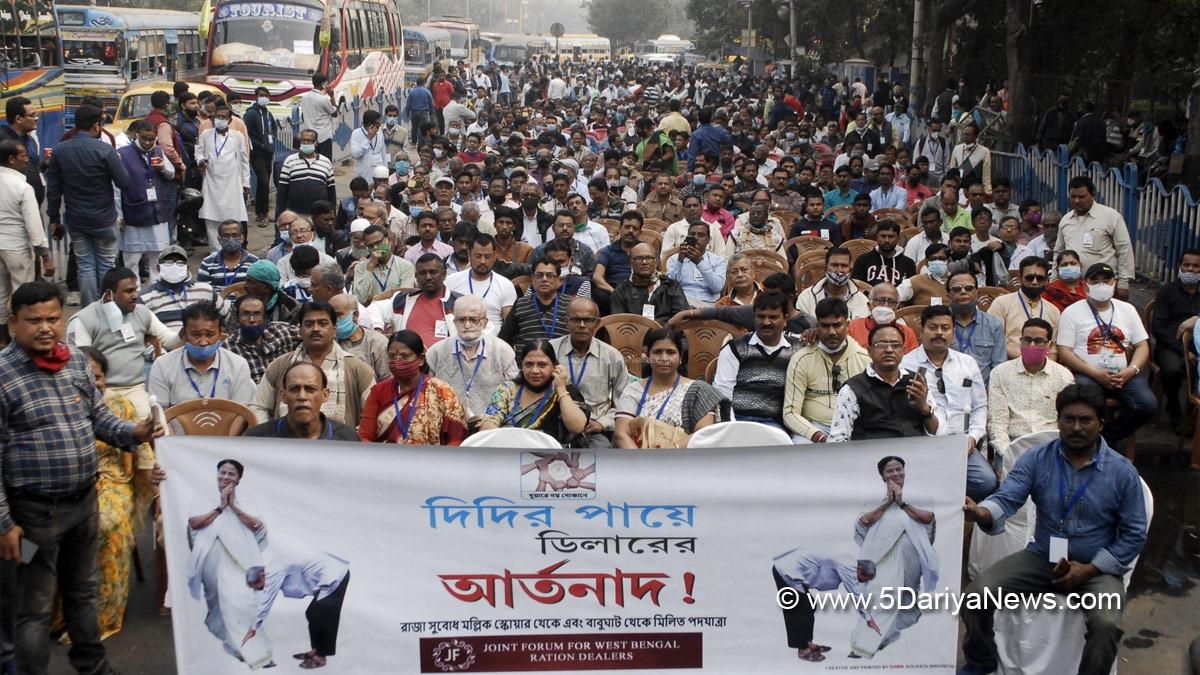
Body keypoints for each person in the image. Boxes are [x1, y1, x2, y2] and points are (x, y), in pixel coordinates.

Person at [0, 281, 160, 675]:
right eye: (33, 320)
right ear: (12, 324)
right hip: (31, 514)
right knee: (33, 609)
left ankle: (93, 667)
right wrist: (5, 524)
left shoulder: (73, 362)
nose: (44, 328)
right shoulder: (3, 377)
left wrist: (132, 433)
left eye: (53, 318)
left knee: (82, 594)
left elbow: (98, 418)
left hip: (84, 502)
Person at [961, 384, 1148, 675]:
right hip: (1042, 557)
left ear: (1101, 422)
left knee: (1107, 624)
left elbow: (1134, 534)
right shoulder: (1037, 459)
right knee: (976, 595)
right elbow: (1008, 497)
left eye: (1085, 420)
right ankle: (981, 662)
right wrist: (981, 511)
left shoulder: (1122, 471)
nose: (1076, 427)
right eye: (1068, 419)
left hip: (1095, 566)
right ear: (1057, 420)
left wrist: (1090, 569)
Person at [75, 346, 161, 640]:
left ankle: (101, 617)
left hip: (113, 483)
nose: (91, 383)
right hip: (67, 484)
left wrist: (159, 495)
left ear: (105, 379)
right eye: (84, 376)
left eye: (96, 377)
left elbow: (143, 453)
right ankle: (49, 613)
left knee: (107, 523)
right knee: (33, 534)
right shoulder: (61, 402)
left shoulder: (121, 406)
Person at [900, 305, 996, 500]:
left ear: (953, 332)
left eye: (945, 328)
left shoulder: (967, 363)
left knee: (987, 482)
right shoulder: (906, 365)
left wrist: (973, 437)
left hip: (961, 444)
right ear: (921, 331)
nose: (939, 333)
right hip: (923, 444)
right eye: (933, 327)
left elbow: (979, 407)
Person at [185, 458, 274, 666]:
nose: (225, 477)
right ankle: (234, 643)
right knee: (221, 600)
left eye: (231, 474)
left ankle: (253, 649)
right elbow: (194, 523)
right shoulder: (203, 495)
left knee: (244, 600)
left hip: (242, 557)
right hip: (211, 554)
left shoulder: (247, 498)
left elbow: (258, 527)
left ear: (239, 480)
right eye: (222, 472)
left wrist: (234, 508)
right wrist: (220, 507)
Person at [1055, 263, 1153, 446]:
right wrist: (1095, 373)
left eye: (1106, 280)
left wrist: (1131, 370)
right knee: (1087, 402)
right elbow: (1064, 351)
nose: (1101, 285)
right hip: (1087, 374)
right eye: (1095, 281)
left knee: (1147, 404)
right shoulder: (1072, 312)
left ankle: (1106, 438)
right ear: (1085, 284)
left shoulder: (1128, 310)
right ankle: (1089, 441)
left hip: (1124, 375)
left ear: (1114, 282)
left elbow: (1142, 346)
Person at [850, 456, 938, 658]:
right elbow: (863, 522)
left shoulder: (918, 492)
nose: (896, 474)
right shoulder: (874, 495)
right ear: (882, 476)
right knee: (883, 591)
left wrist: (902, 503)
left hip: (911, 550)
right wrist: (885, 504)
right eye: (890, 471)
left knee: (902, 593)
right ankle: (867, 644)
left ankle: (890, 630)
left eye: (899, 469)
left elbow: (928, 518)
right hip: (880, 553)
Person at [45, 104, 132, 307]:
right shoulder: (106, 150)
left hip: (76, 219)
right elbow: (124, 182)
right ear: (96, 125)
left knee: (84, 267)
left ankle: (88, 312)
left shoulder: (60, 151)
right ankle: (106, 311)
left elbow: (53, 190)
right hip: (104, 218)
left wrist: (54, 220)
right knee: (106, 266)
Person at [66, 268, 179, 414]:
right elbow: (78, 365)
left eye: (136, 290)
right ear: (108, 295)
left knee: (155, 425)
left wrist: (187, 331)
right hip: (100, 390)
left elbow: (170, 341)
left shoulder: (142, 313)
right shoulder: (82, 320)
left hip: (135, 389)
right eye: (129, 291)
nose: (135, 296)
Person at [250, 302, 376, 426]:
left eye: (323, 323)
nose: (316, 329)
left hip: (340, 444)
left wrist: (351, 438)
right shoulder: (279, 366)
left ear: (334, 330)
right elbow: (259, 407)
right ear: (300, 330)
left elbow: (372, 415)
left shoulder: (357, 369)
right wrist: (269, 438)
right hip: (285, 443)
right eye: (309, 324)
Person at [613, 328, 727, 448]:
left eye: (671, 352)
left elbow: (703, 434)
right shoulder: (633, 390)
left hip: (683, 460)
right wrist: (642, 463)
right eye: (657, 352)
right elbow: (621, 435)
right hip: (635, 461)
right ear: (647, 356)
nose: (664, 358)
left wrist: (669, 453)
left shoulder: (699, 391)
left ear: (680, 357)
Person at [828, 323, 944, 441]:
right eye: (881, 345)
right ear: (869, 351)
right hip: (871, 455)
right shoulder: (853, 389)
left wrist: (924, 407)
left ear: (903, 350)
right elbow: (838, 439)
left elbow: (937, 433)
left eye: (895, 345)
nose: (889, 350)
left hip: (913, 452)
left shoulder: (915, 382)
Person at [783, 297, 871, 443]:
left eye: (837, 325)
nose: (831, 332)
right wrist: (819, 436)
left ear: (847, 325)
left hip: (856, 427)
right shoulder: (801, 359)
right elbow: (790, 412)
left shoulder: (864, 359)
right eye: (825, 326)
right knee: (800, 446)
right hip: (813, 428)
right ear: (816, 326)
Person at [357, 330, 468, 445]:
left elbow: (456, 438)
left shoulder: (442, 391)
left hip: (431, 460)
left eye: (404, 356)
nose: (397, 361)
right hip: (387, 459)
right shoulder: (378, 391)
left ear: (420, 359)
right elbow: (365, 436)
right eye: (392, 356)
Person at [244, 553, 350, 671]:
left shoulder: (272, 573)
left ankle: (320, 657)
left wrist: (253, 628)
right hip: (328, 575)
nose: (257, 589)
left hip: (336, 575)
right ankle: (316, 650)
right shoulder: (273, 568)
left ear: (262, 575)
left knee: (324, 616)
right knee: (311, 613)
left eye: (256, 585)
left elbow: (266, 602)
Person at [713, 293, 801, 430]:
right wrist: (731, 428)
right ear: (754, 317)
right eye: (761, 316)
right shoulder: (735, 348)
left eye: (773, 317)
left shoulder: (798, 349)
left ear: (785, 319)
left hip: (776, 425)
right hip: (738, 421)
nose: (766, 322)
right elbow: (723, 393)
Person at [548, 298, 629, 448]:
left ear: (597, 323)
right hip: (556, 425)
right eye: (576, 320)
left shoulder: (612, 356)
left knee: (601, 457)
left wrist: (602, 423)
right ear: (566, 322)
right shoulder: (551, 350)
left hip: (594, 429)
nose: (582, 325)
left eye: (588, 320)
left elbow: (624, 402)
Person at [987, 318, 1075, 453]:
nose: (1032, 345)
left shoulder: (1063, 376)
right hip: (1013, 444)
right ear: (1020, 341)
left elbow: (1066, 420)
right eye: (1027, 340)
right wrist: (1008, 453)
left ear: (1050, 345)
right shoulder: (1000, 373)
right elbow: (997, 422)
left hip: (1051, 447)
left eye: (1039, 341)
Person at [479, 339, 590, 446]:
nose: (535, 371)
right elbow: (488, 424)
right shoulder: (508, 389)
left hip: (549, 458)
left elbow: (577, 427)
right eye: (529, 365)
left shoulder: (565, 392)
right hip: (508, 452)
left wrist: (561, 389)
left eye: (542, 365)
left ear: (554, 366)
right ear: (521, 365)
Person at [424, 295, 517, 420]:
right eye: (462, 320)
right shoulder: (436, 352)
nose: (467, 325)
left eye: (474, 319)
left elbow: (514, 391)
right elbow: (427, 392)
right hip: (447, 423)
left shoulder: (503, 351)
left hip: (491, 423)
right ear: (454, 323)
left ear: (484, 322)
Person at [148, 301, 255, 407]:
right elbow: (160, 414)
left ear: (219, 333)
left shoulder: (238, 365)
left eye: (210, 335)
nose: (203, 342)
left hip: (228, 424)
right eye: (195, 335)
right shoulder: (162, 365)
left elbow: (241, 414)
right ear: (183, 334)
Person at [0, 140, 50, 346]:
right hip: (17, 249)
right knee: (22, 295)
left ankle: (3, 339)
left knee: (1, 293)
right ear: (11, 159)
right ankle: (22, 339)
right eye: (22, 155)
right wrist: (46, 256)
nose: (26, 158)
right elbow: (34, 226)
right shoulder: (22, 187)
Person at [1054, 176, 1135, 299]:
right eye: (1073, 197)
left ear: (1092, 195)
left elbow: (1124, 249)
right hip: (1072, 286)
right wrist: (1054, 278)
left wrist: (1123, 282)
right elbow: (1059, 252)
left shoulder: (1111, 216)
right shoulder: (1065, 220)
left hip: (1103, 285)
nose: (1076, 201)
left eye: (1082, 197)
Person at [115, 120, 174, 278]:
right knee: (132, 259)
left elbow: (172, 173)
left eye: (152, 139)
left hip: (157, 212)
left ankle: (156, 292)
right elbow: (115, 188)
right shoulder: (122, 154)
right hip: (134, 212)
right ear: (136, 135)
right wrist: (119, 214)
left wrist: (163, 168)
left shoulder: (158, 151)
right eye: (144, 139)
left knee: (158, 257)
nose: (148, 143)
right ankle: (134, 295)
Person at [1150, 249, 1200, 429]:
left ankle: (1194, 411)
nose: (1190, 269)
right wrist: (1184, 351)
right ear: (1180, 266)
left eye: (1195, 266)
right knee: (1172, 369)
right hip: (1170, 347)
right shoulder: (1167, 291)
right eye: (1186, 265)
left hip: (1198, 347)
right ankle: (1174, 406)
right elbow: (1159, 329)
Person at [196, 106, 250, 251]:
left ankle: (233, 249)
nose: (220, 120)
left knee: (233, 218)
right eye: (217, 117)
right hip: (211, 182)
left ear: (229, 119)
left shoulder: (237, 136)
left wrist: (246, 182)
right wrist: (200, 161)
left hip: (232, 183)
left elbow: (244, 160)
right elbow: (199, 152)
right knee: (211, 218)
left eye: (223, 117)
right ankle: (215, 251)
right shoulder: (206, 135)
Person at [987, 255, 1062, 358]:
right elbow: (994, 340)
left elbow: (1053, 349)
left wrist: (1045, 366)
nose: (1034, 282)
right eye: (1030, 278)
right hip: (1009, 364)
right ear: (1019, 278)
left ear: (1046, 281)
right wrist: (1028, 359)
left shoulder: (1053, 311)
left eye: (1040, 278)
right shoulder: (1002, 303)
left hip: (1043, 367)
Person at [444, 233, 517, 333]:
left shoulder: (505, 285)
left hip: (493, 342)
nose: (482, 261)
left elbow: (509, 326)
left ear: (495, 255)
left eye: (487, 257)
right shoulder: (451, 281)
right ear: (469, 254)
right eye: (478, 256)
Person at [139, 244, 221, 332]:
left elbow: (226, 317)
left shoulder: (206, 290)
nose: (174, 266)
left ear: (187, 268)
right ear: (158, 268)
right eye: (168, 263)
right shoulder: (145, 297)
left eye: (180, 263)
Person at [944, 270, 1007, 383]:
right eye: (957, 289)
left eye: (968, 288)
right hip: (946, 391)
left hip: (982, 392)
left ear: (977, 293)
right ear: (948, 295)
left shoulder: (993, 324)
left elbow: (999, 368)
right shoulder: (939, 324)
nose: (963, 292)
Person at [497, 257, 571, 352]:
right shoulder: (521, 304)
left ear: (559, 281)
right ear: (532, 279)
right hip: (525, 364)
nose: (544, 279)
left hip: (560, 365)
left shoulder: (571, 305)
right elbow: (504, 339)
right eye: (539, 275)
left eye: (549, 275)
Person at [223, 295, 299, 384]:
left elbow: (309, 334)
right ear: (237, 319)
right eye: (246, 314)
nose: (252, 320)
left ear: (265, 318)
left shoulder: (282, 331)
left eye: (257, 314)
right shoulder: (228, 348)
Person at [609, 243, 691, 323]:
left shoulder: (671, 286)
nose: (644, 262)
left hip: (667, 334)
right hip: (635, 335)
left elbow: (683, 320)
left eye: (648, 258)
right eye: (639, 258)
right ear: (631, 262)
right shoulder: (620, 292)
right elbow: (618, 325)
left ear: (656, 262)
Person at [276, 129, 337, 219]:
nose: (306, 143)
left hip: (319, 216)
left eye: (309, 141)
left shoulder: (326, 162)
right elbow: (282, 193)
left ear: (316, 143)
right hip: (295, 214)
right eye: (303, 140)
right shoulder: (289, 161)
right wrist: (280, 217)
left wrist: (332, 215)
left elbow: (331, 192)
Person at [666, 220, 727, 307]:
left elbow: (717, 288)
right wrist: (680, 261)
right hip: (681, 304)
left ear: (708, 240)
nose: (696, 238)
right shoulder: (675, 259)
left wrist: (699, 262)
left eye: (701, 235)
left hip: (709, 306)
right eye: (692, 235)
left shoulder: (718, 260)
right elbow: (669, 286)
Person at [328, 293, 389, 380]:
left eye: (338, 315)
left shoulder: (378, 343)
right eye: (330, 316)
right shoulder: (329, 342)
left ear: (355, 316)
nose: (333, 320)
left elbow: (386, 380)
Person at [796, 247, 869, 320]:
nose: (839, 270)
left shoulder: (862, 301)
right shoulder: (806, 298)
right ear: (825, 267)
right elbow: (801, 327)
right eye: (834, 265)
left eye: (844, 266)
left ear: (850, 270)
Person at [351, 225, 416, 305]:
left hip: (395, 313)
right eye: (371, 246)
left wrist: (376, 299)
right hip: (371, 314)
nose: (375, 248)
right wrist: (370, 267)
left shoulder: (405, 266)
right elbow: (360, 299)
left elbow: (404, 298)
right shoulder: (360, 267)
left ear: (388, 241)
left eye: (378, 242)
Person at [591, 211, 642, 312]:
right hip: (613, 291)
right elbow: (597, 277)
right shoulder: (608, 251)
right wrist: (614, 291)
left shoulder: (645, 249)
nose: (631, 231)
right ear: (620, 229)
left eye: (635, 228)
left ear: (640, 232)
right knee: (599, 294)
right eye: (627, 227)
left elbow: (656, 274)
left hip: (641, 290)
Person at [847, 283, 919, 354]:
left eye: (891, 302)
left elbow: (912, 362)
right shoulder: (852, 327)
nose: (885, 306)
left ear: (897, 307)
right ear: (869, 305)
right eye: (881, 301)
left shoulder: (907, 333)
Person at [243, 87, 279, 227]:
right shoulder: (251, 114)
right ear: (256, 97)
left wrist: (271, 140)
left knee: (265, 182)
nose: (264, 98)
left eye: (266, 95)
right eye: (262, 95)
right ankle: (261, 213)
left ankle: (263, 211)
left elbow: (273, 128)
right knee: (263, 181)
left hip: (267, 153)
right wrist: (260, 144)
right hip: (256, 152)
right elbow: (248, 133)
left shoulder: (267, 113)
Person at [0, 96, 45, 203]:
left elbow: (31, 169)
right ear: (19, 119)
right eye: (32, 115)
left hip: (32, 205)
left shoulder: (31, 141)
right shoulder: (3, 142)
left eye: (36, 115)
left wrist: (44, 165)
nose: (36, 118)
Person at [198, 220, 259, 290]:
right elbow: (203, 292)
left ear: (243, 238)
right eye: (226, 236)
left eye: (235, 235)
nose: (231, 239)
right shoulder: (208, 263)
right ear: (219, 239)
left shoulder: (254, 262)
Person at [851, 221, 916, 287]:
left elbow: (911, 290)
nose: (886, 240)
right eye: (883, 236)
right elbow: (856, 288)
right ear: (876, 237)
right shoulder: (863, 260)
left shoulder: (908, 264)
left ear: (898, 238)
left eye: (891, 236)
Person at [299, 74, 338, 160]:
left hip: (309, 136)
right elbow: (335, 113)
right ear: (323, 84)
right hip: (323, 137)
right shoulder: (323, 99)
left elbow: (303, 115)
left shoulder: (305, 97)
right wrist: (332, 96)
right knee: (324, 162)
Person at [949, 123, 991, 193]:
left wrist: (988, 193)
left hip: (975, 190)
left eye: (969, 135)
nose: (965, 136)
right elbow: (952, 170)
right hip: (958, 190)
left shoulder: (984, 151)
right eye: (964, 134)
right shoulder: (957, 149)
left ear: (976, 136)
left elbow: (986, 176)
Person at [350, 110, 388, 181]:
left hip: (378, 175)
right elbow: (355, 154)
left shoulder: (380, 133)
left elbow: (383, 154)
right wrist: (368, 139)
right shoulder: (356, 133)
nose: (379, 125)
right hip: (364, 175)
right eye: (377, 123)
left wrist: (386, 171)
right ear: (370, 124)